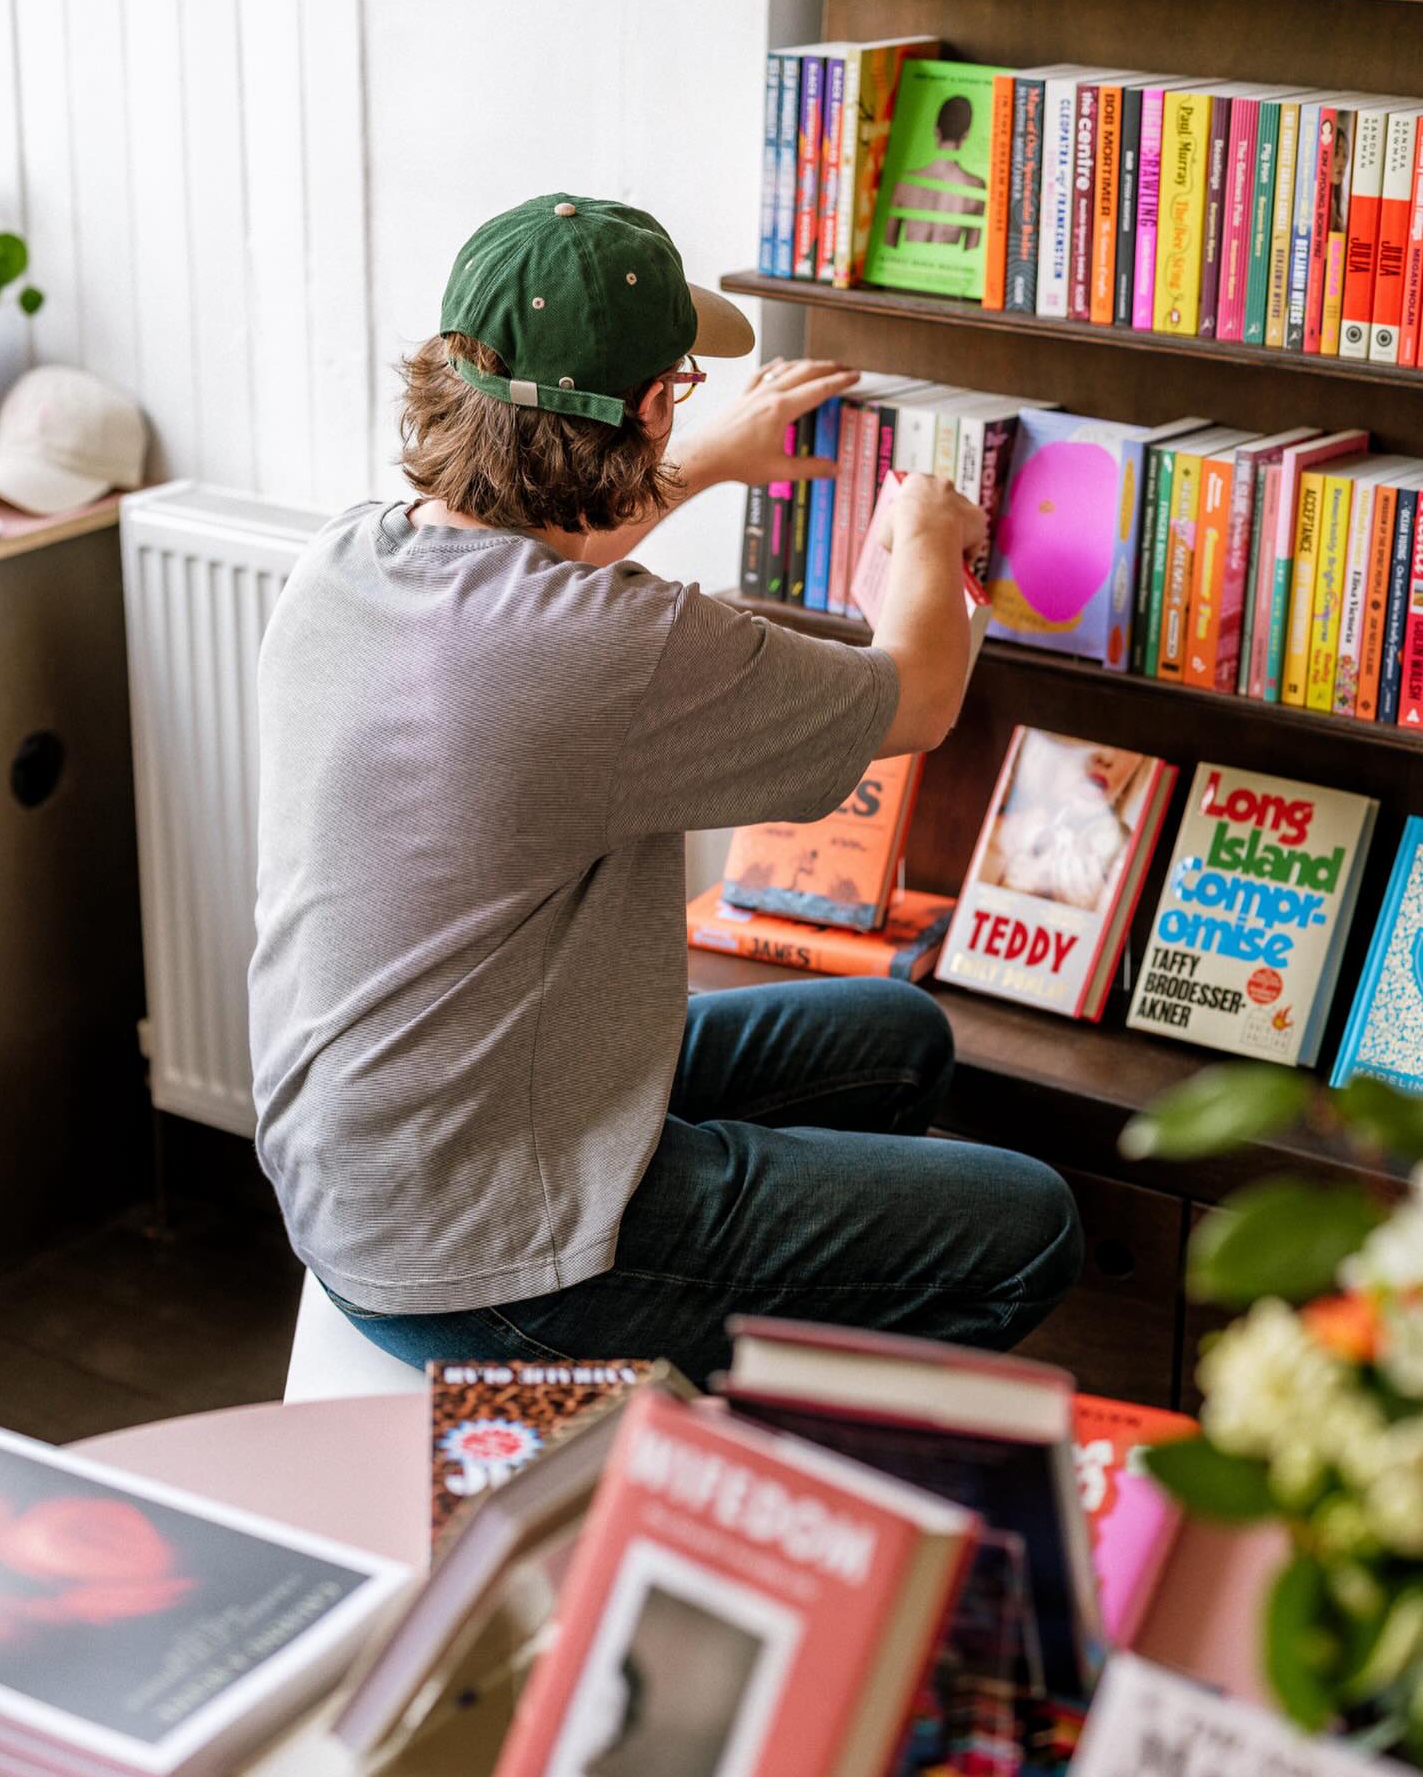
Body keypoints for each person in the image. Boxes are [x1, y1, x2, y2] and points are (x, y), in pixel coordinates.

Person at [248, 193, 1082, 1386]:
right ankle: (759, 1455)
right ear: (644, 405)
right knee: (1029, 1225)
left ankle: (751, 1306)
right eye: (680, 386)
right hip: (488, 1263)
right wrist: (929, 539)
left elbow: (548, 546)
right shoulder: (612, 648)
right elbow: (919, 699)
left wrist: (697, 463)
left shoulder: (348, 557)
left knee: (894, 1040)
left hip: (379, 1159)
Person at [883, 95, 987, 252]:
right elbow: (972, 251)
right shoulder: (976, 187)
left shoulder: (905, 182)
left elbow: (887, 244)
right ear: (966, 135)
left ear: (936, 131)